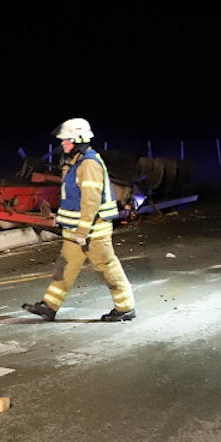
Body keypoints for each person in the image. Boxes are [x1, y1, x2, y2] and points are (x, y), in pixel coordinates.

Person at [23, 118, 136, 322]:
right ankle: (50, 306)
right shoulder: (76, 162)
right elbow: (73, 199)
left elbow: (90, 201)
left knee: (107, 266)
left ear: (79, 140)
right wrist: (61, 219)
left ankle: (125, 307)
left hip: (93, 231)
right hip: (76, 231)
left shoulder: (89, 163)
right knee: (65, 265)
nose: (63, 144)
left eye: (67, 140)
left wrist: (83, 232)